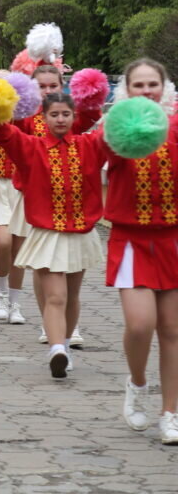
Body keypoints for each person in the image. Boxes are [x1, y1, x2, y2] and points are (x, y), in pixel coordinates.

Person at [0, 92, 106, 379]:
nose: (60, 119)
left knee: (73, 294)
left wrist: (138, 101)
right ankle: (56, 349)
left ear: (74, 116)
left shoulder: (88, 145)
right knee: (56, 296)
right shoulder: (31, 147)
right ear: (43, 118)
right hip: (47, 233)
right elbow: (2, 133)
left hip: (80, 233)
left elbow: (112, 130)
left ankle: (64, 345)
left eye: (65, 114)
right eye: (54, 114)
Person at [99, 59, 178, 443]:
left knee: (172, 330)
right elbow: (92, 151)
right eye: (139, 85)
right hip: (130, 239)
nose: (147, 91)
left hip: (172, 241)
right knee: (140, 324)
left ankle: (171, 413)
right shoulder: (114, 133)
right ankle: (137, 383)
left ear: (164, 88)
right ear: (126, 91)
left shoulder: (177, 129)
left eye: (153, 84)